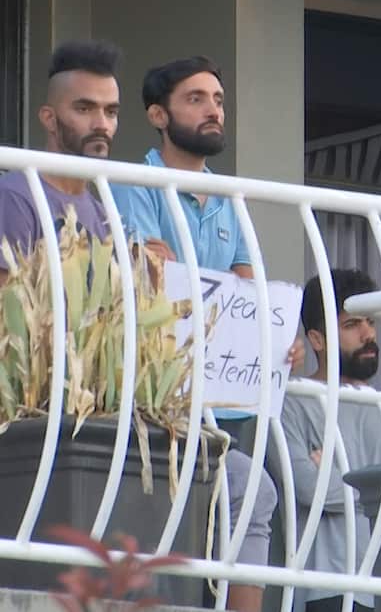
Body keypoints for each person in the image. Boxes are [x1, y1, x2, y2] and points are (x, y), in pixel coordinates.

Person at [110, 56, 286, 612]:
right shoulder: (134, 185)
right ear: (158, 115)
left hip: (211, 403)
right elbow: (147, 278)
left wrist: (282, 339)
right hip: (147, 400)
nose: (213, 109)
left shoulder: (228, 195)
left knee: (252, 492)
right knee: (231, 493)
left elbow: (244, 291)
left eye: (218, 99)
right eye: (196, 99)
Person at [272, 269, 381, 612]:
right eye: (351, 325)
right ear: (317, 339)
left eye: (370, 322)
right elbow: (309, 488)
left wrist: (340, 473)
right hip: (324, 587)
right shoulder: (292, 400)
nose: (368, 334)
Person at [0, 40, 119, 286]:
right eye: (84, 109)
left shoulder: (102, 211)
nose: (102, 124)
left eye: (111, 112)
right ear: (49, 119)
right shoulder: (12, 197)